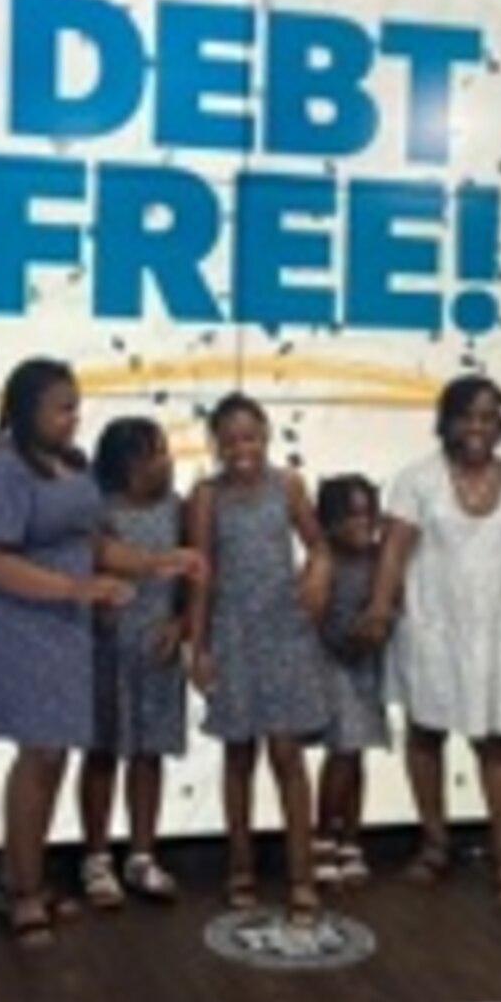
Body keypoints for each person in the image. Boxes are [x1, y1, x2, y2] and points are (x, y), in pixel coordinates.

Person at [0, 360, 197, 947]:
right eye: (62, 407)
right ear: (25, 409)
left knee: (56, 755)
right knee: (38, 755)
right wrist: (74, 589)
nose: (73, 418)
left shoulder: (72, 464)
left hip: (67, 626)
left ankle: (23, 876)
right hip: (18, 623)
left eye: (75, 406)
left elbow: (88, 542)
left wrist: (153, 562)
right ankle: (20, 894)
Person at [363, 374, 501, 904]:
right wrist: (379, 610)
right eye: (467, 415)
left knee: (496, 743)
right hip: (431, 629)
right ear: (447, 421)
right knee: (426, 736)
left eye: (488, 416)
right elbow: (394, 552)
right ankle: (435, 845)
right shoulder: (417, 479)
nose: (477, 426)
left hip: (497, 635)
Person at [187, 392, 330, 922]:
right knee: (238, 756)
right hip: (232, 632)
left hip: (285, 630)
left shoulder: (288, 485)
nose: (240, 448)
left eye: (249, 436)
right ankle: (240, 868)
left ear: (266, 436)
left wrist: (317, 570)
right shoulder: (206, 496)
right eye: (229, 440)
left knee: (288, 755)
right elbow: (202, 575)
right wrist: (197, 648)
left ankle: (301, 876)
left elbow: (318, 543)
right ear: (216, 445)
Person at [77, 416, 191, 907]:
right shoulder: (97, 509)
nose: (166, 461)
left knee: (149, 755)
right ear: (126, 465)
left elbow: (191, 571)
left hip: (157, 650)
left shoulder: (178, 508)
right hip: (106, 650)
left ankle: (142, 854)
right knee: (101, 752)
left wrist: (181, 624)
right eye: (154, 453)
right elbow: (82, 569)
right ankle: (97, 857)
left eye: (164, 450)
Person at [311, 474, 390, 888]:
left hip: (365, 664)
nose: (362, 523)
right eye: (351, 515)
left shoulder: (380, 559)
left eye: (368, 513)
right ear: (329, 521)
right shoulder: (324, 560)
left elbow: (391, 603)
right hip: (332, 663)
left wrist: (379, 625)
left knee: (357, 753)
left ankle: (350, 838)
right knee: (342, 750)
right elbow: (312, 615)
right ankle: (322, 836)